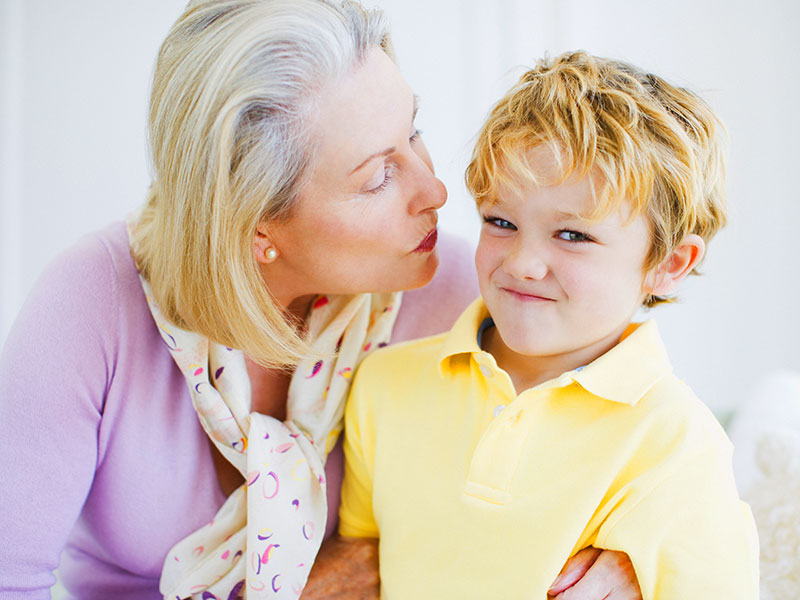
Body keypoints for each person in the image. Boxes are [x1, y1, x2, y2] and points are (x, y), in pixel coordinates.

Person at [0, 1, 641, 598]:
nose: (437, 191)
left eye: (413, 134)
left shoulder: (456, 293)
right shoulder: (91, 305)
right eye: (379, 176)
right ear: (257, 224)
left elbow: (621, 429)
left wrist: (629, 554)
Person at [339, 51, 760, 598]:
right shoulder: (383, 384)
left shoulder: (677, 445)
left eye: (573, 235)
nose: (521, 263)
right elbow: (359, 576)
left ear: (667, 264)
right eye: (501, 222)